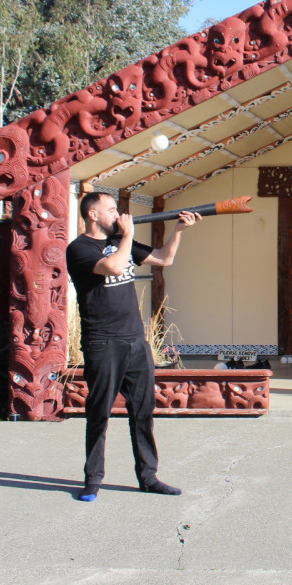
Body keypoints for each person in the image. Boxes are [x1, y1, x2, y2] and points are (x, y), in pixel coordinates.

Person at [66, 192, 201, 502]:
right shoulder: (80, 249)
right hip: (102, 341)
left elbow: (164, 259)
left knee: (142, 411)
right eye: (111, 209)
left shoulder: (120, 241)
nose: (118, 214)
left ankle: (148, 476)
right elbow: (113, 267)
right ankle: (93, 479)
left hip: (135, 341)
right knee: (99, 412)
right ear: (93, 216)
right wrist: (127, 236)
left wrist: (178, 231)